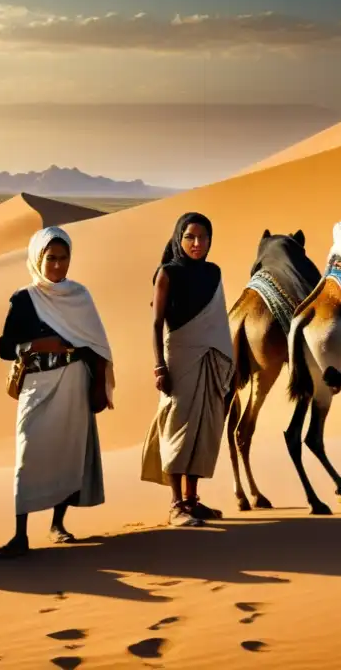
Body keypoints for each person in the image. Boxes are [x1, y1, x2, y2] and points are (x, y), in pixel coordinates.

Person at [0, 226, 114, 558]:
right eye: (51, 258)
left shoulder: (80, 296)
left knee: (67, 453)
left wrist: (100, 387)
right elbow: (5, 347)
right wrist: (37, 344)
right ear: (38, 258)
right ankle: (20, 534)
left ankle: (57, 525)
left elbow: (97, 345)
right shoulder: (24, 299)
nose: (58, 266)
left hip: (75, 380)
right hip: (37, 381)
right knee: (28, 454)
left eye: (64, 258)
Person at [141, 212, 234, 527]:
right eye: (190, 237)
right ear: (179, 239)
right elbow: (156, 323)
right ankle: (175, 504)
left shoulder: (214, 272)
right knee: (178, 429)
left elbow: (218, 321)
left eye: (203, 237)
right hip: (179, 358)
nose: (197, 244)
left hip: (211, 359)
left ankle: (192, 500)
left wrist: (226, 361)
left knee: (204, 429)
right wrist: (159, 366)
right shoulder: (167, 273)